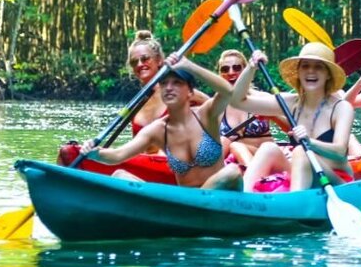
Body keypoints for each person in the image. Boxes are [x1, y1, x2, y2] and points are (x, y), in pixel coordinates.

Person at [79, 57, 242, 190]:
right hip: (186, 202)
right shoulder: (157, 130)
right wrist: (92, 152)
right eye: (164, 83)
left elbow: (228, 91)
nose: (169, 88)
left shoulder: (206, 114)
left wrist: (189, 66)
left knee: (231, 172)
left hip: (221, 195)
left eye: (177, 83)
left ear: (191, 92)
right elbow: (117, 155)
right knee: (119, 175)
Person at [232, 42, 355, 192]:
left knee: (300, 152)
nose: (311, 71)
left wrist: (309, 142)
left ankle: (294, 203)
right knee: (268, 148)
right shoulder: (290, 102)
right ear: (298, 71)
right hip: (302, 172)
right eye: (305, 66)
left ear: (328, 74)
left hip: (336, 180)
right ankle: (244, 199)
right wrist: (251, 68)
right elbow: (238, 101)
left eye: (318, 67)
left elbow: (340, 151)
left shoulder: (342, 108)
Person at [126, 30, 209, 147]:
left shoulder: (177, 90)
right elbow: (134, 145)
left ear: (159, 60)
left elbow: (217, 109)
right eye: (134, 62)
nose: (139, 64)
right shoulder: (135, 104)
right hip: (146, 161)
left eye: (145, 59)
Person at [215, 49, 285, 166]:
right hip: (233, 163)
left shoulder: (262, 99)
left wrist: (272, 116)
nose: (231, 72)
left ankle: (252, 179)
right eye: (225, 69)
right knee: (225, 142)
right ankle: (202, 177)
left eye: (237, 68)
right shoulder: (216, 106)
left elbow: (284, 138)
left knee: (235, 145)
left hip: (266, 157)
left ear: (245, 71)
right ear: (220, 74)